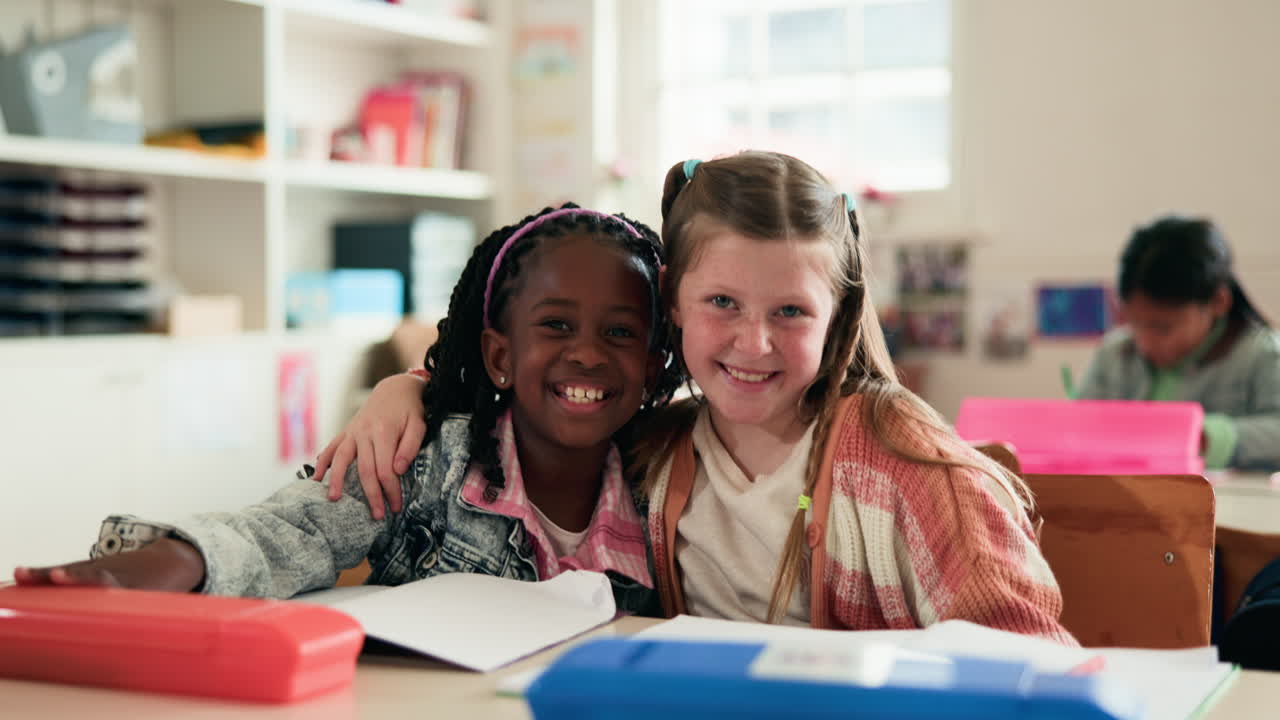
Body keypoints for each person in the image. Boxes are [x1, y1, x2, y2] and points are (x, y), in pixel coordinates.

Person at [314, 152, 1075, 643]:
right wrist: (405, 388)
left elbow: (1022, 651)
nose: (754, 343)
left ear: (837, 315)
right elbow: (528, 413)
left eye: (791, 312)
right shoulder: (655, 449)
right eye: (722, 304)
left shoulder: (898, 454)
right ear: (671, 306)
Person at [14, 204, 681, 615]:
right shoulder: (422, 464)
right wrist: (125, 576)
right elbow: (282, 534)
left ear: (654, 366)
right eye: (557, 326)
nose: (588, 355)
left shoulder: (673, 486)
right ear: (499, 355)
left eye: (620, 333)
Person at [1077, 215, 1280, 471]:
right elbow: (1080, 427)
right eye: (1134, 323)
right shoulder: (1114, 353)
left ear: (1218, 302)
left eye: (1163, 328)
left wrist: (1202, 437)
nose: (1145, 342)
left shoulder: (1262, 354)